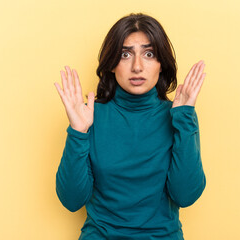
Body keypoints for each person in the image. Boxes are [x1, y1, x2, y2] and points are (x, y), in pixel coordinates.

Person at [54, 12, 206, 240]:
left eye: (148, 54)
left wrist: (185, 119)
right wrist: (78, 131)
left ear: (161, 63)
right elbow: (72, 200)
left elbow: (185, 195)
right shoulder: (89, 115)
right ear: (112, 63)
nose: (137, 66)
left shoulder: (177, 115)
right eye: (125, 54)